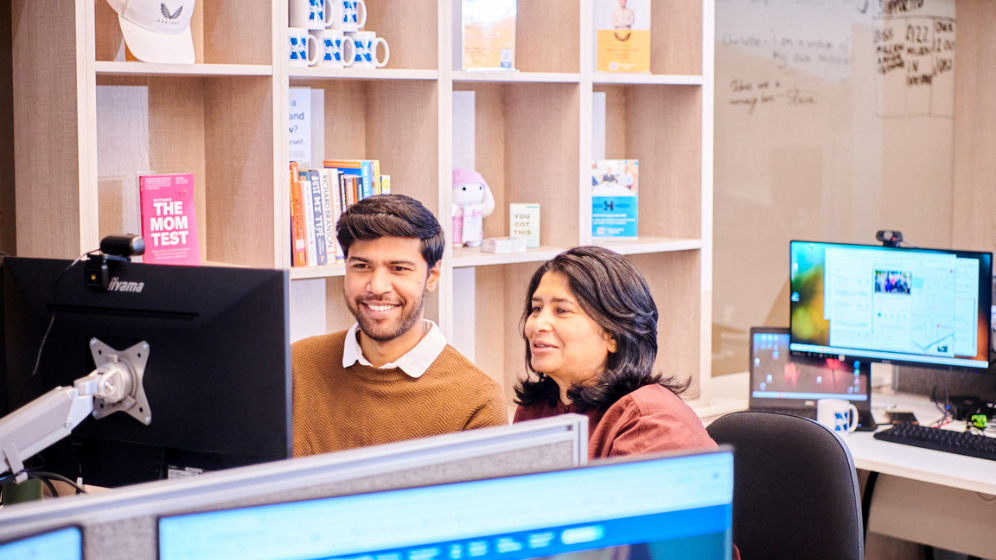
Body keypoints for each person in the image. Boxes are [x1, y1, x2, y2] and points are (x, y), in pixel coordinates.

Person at [293, 194, 508, 457]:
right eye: (361, 266)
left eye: (398, 268)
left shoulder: (478, 400)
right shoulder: (295, 366)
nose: (377, 287)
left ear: (432, 276)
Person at [513, 246, 717, 459]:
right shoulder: (534, 409)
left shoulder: (647, 421)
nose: (538, 324)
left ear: (613, 335)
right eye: (536, 309)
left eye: (562, 310)